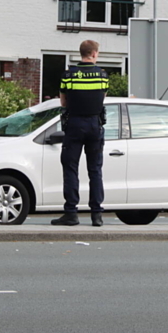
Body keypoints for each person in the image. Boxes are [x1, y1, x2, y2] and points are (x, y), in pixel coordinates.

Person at [53, 39, 109, 227]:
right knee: (95, 170)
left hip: (74, 124)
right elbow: (102, 99)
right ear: (93, 54)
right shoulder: (102, 75)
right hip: (95, 124)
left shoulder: (69, 75)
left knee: (70, 168)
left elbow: (63, 103)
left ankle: (71, 213)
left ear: (81, 53)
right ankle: (96, 215)